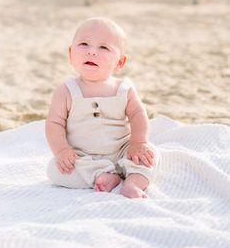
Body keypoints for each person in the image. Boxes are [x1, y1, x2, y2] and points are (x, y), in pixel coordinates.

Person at [45, 17, 160, 199]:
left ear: (120, 63)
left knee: (151, 154)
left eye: (103, 47)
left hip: (122, 150)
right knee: (55, 170)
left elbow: (138, 115)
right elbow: (54, 123)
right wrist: (62, 151)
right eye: (84, 44)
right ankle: (103, 175)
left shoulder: (124, 89)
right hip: (83, 156)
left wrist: (138, 142)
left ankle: (132, 183)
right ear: (70, 53)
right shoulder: (66, 90)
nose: (92, 52)